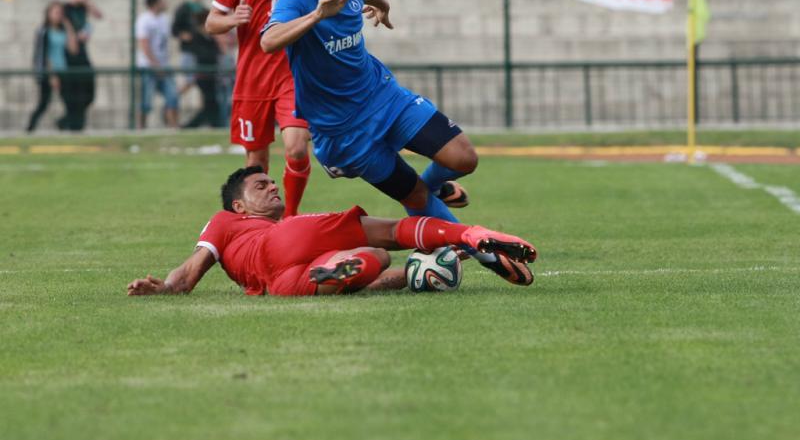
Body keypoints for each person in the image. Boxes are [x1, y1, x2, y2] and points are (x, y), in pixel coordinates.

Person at [259, 0, 517, 282]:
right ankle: (484, 253)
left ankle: (434, 190)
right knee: (412, 196)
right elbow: (269, 41)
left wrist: (382, 6)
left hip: (383, 96)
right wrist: (319, 14)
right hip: (343, 131)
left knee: (463, 158)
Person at [127, 166, 537, 297]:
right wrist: (170, 284)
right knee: (390, 234)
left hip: (280, 285)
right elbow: (193, 268)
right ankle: (467, 234)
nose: (272, 187)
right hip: (280, 243)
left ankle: (414, 275)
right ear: (238, 205)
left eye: (273, 183)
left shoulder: (250, 225)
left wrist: (166, 291)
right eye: (260, 186)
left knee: (374, 263)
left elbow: (187, 278)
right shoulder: (228, 221)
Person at [206, 0, 312, 218]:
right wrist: (233, 20)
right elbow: (212, 22)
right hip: (253, 78)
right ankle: (258, 226)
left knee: (296, 147)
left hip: (291, 74)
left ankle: (290, 217)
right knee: (256, 163)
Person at [26, 0, 79, 132]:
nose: (58, 15)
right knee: (43, 104)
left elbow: (73, 49)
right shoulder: (43, 31)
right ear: (48, 14)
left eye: (60, 13)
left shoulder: (62, 31)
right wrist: (52, 75)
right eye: (55, 12)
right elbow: (44, 55)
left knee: (70, 103)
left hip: (63, 71)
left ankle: (66, 126)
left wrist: (68, 26)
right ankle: (29, 129)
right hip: (49, 73)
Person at [61, 0, 101, 131]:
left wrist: (87, 3)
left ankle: (69, 121)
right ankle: (73, 123)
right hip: (70, 55)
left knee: (89, 93)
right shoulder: (66, 8)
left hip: (82, 53)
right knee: (74, 93)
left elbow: (99, 15)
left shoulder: (84, 8)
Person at [136, 0, 179, 129]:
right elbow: (144, 44)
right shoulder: (144, 20)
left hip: (164, 65)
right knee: (146, 100)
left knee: (172, 95)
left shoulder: (165, 19)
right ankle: (140, 128)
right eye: (162, 0)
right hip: (148, 66)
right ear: (155, 3)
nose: (165, 3)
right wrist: (155, 65)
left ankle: (173, 126)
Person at [182, 10, 225, 129]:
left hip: (212, 75)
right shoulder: (197, 37)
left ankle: (215, 125)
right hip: (203, 75)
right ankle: (191, 126)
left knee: (212, 102)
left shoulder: (209, 38)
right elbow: (203, 54)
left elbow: (217, 52)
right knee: (209, 102)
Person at [171, 0, 206, 92]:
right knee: (189, 80)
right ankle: (172, 102)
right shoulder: (183, 9)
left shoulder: (203, 9)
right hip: (189, 51)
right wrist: (184, 35)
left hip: (201, 52)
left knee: (202, 82)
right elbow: (174, 29)